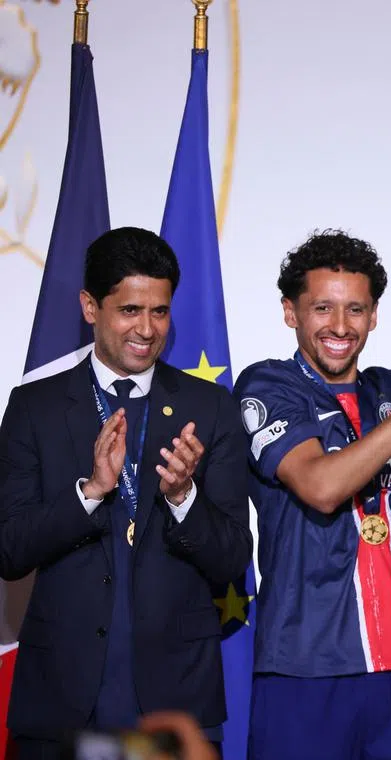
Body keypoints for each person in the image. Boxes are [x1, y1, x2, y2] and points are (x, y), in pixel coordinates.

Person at [233, 231, 391, 760]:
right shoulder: (268, 385)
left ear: (374, 316)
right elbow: (322, 486)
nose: (340, 326)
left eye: (356, 309)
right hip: (303, 667)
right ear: (291, 312)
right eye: (322, 308)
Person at [0, 227, 252, 756]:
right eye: (130, 310)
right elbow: (10, 549)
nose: (146, 329)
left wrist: (183, 496)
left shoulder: (210, 408)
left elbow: (232, 557)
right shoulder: (35, 407)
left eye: (159, 312)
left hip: (174, 706)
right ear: (90, 307)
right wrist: (90, 491)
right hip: (61, 703)